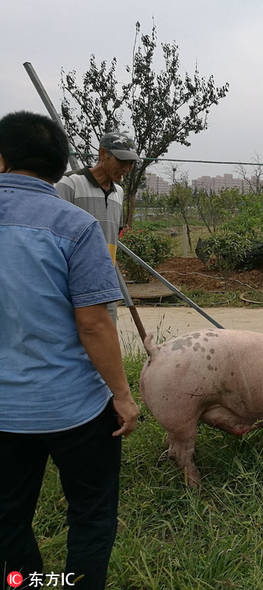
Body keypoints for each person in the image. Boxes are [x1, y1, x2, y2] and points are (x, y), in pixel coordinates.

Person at [0, 111, 140, 588]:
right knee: (91, 515)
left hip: (4, 411)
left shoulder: (114, 198)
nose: (123, 168)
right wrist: (121, 393)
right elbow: (93, 324)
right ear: (64, 166)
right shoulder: (71, 219)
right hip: (75, 406)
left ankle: (26, 582)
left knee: (8, 520)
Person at [56, 132, 138, 323]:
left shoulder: (119, 192)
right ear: (103, 154)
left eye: (131, 163)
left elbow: (112, 237)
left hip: (105, 283)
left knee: (104, 344)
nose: (126, 168)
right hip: (72, 284)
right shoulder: (69, 184)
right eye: (121, 161)